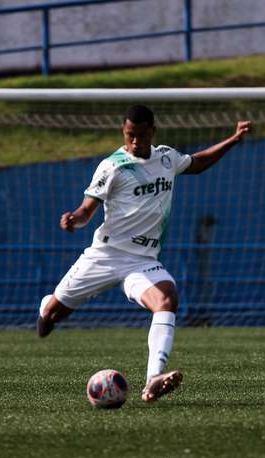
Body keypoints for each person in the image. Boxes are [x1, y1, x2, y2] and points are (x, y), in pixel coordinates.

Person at [37, 104, 252, 403]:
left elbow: (199, 163)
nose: (135, 142)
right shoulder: (112, 166)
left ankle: (153, 380)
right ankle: (46, 307)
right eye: (129, 136)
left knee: (167, 299)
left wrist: (233, 140)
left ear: (153, 130)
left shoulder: (166, 157)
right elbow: (87, 210)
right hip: (105, 256)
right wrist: (74, 219)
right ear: (124, 134)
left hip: (142, 261)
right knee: (49, 319)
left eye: (140, 135)